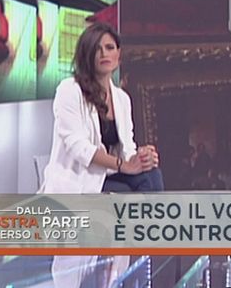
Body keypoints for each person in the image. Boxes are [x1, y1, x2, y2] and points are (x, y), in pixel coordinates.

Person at [39, 22, 161, 287]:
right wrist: (123, 165)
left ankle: (141, 255)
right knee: (130, 198)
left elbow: (127, 145)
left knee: (152, 175)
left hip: (109, 176)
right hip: (80, 182)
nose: (104, 53)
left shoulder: (122, 98)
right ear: (87, 54)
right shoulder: (69, 91)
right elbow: (78, 147)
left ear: (119, 54)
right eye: (97, 49)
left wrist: (141, 157)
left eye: (110, 47)